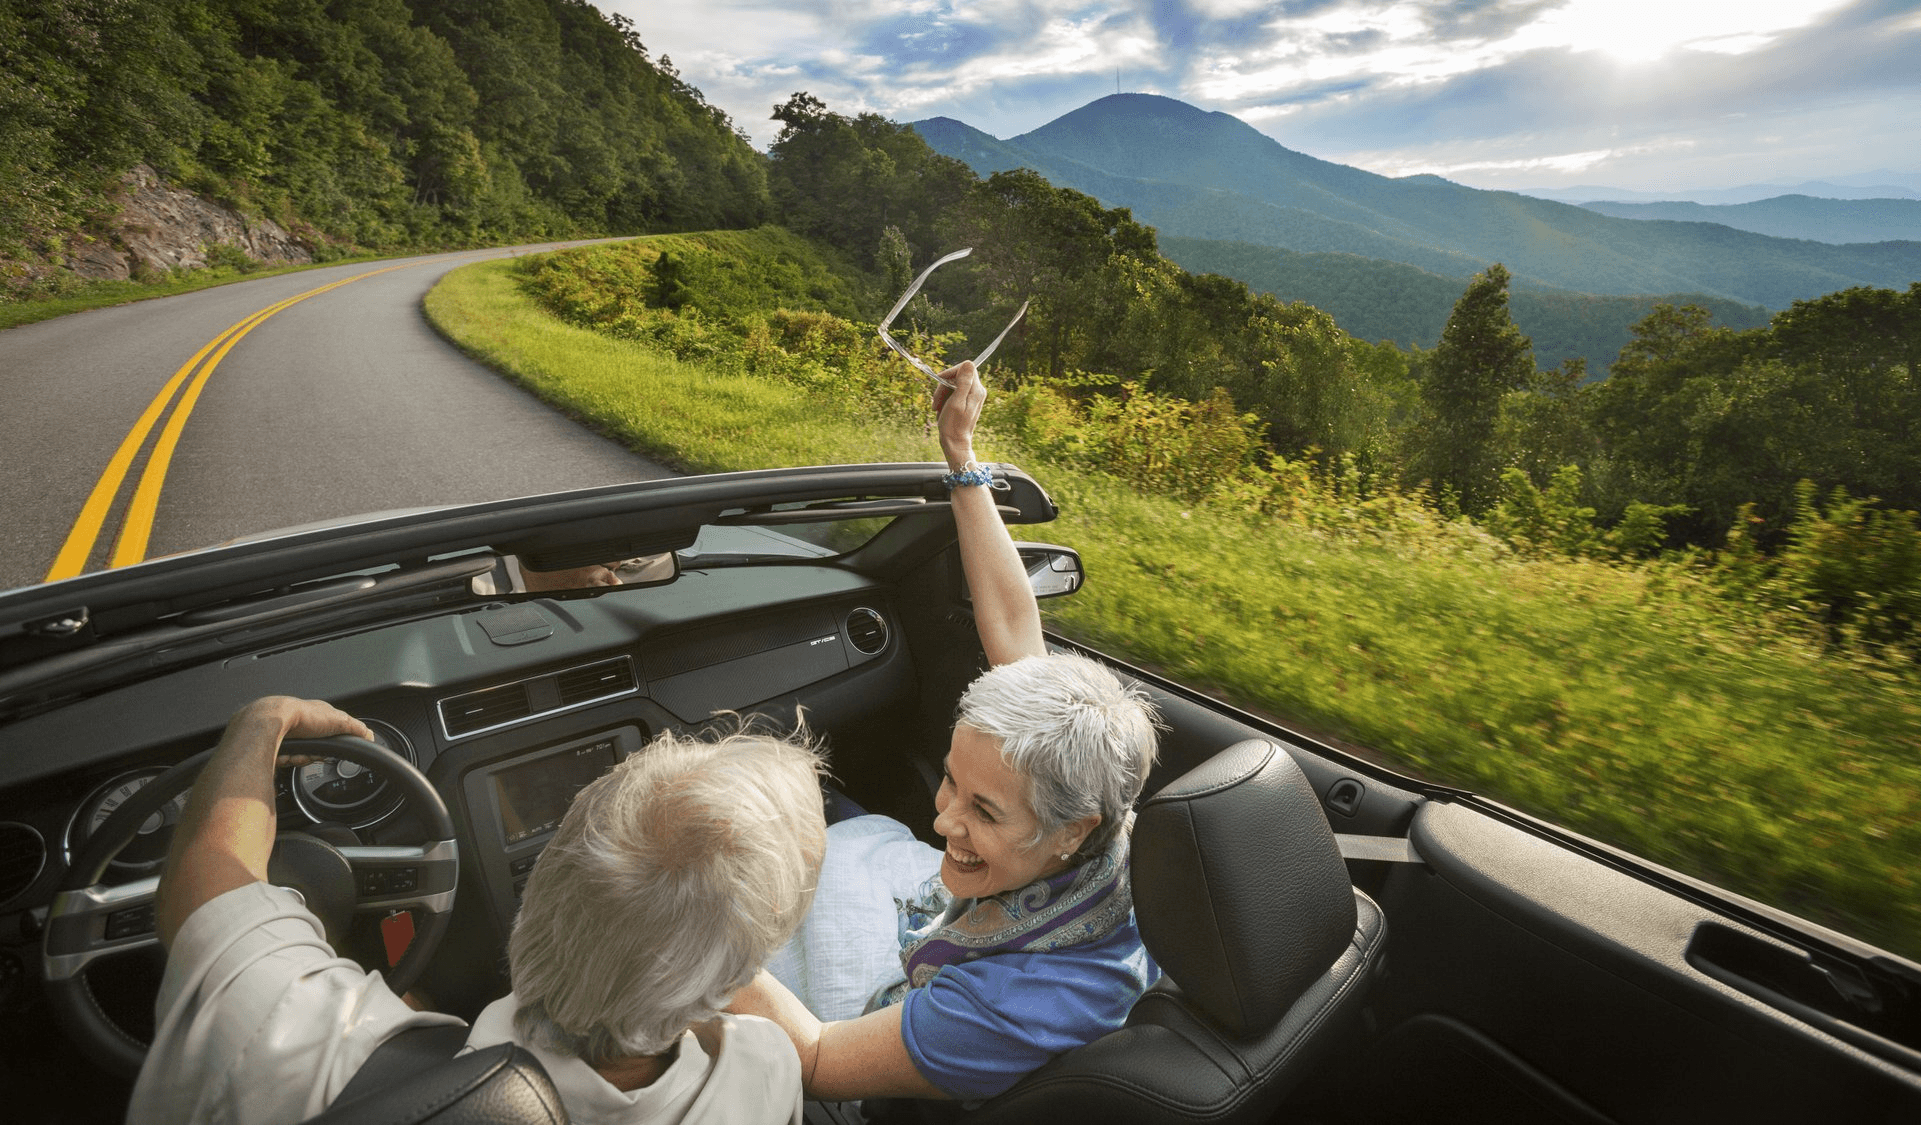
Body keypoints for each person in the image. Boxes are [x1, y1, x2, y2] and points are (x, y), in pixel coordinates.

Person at [729, 360, 1163, 1102]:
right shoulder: (1105, 838)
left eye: (983, 809)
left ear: (1071, 829)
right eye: (954, 780)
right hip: (944, 940)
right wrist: (962, 459)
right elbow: (1017, 635)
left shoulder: (1021, 1003)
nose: (940, 816)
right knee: (825, 802)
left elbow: (819, 1061)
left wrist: (681, 924)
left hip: (855, 1065)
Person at [130, 695, 827, 1125]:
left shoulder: (291, 1040)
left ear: (546, 880)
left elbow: (203, 888)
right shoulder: (762, 1072)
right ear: (729, 983)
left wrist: (262, 721)